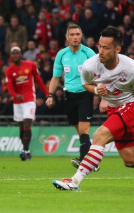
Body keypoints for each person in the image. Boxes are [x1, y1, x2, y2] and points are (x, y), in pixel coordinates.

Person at [52, 26, 134, 191]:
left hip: (128, 107)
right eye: (100, 46)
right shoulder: (90, 65)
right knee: (131, 160)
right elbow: (85, 84)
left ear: (117, 49)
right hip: (114, 110)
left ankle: (73, 182)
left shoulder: (131, 68)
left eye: (106, 48)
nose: (101, 51)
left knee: (99, 136)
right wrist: (97, 90)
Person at [46, 24, 97, 170]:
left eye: (78, 34)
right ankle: (92, 159)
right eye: (72, 34)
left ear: (81, 36)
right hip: (68, 96)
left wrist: (102, 97)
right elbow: (55, 77)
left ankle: (84, 162)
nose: (75, 37)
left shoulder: (89, 53)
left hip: (85, 95)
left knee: (84, 129)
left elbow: (100, 75)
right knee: (79, 130)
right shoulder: (62, 54)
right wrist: (50, 95)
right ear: (67, 37)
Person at [5, 46, 49, 161]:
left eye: (17, 53)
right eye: (13, 53)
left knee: (27, 123)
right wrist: (15, 95)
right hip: (17, 101)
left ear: (21, 55)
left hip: (29, 99)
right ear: (11, 56)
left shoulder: (30, 65)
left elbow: (39, 80)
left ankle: (24, 151)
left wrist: (47, 94)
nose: (15, 55)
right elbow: (9, 87)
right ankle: (27, 150)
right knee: (21, 127)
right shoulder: (9, 70)